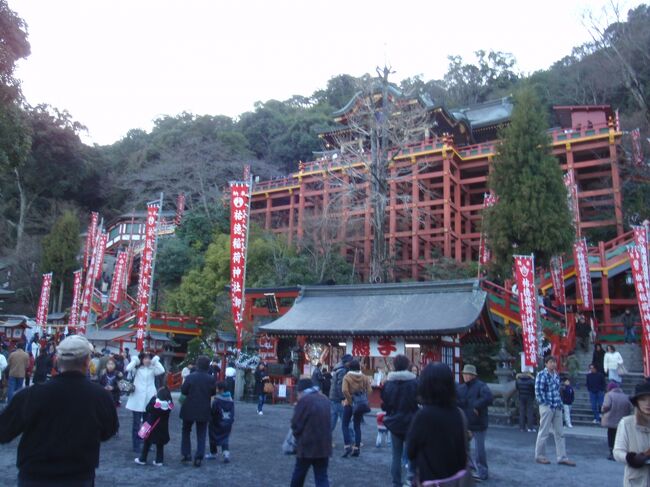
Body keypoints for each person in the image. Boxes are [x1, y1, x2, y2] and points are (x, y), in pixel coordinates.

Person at [0, 335, 118, 486]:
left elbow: (4, 432)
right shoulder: (101, 397)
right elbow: (108, 431)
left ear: (56, 359)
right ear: (87, 361)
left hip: (35, 476)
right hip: (78, 476)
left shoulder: (30, 395)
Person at [407, 362, 469, 486]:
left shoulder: (423, 416)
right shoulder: (459, 413)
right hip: (457, 479)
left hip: (431, 479)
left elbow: (410, 451)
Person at [381, 354, 419, 487]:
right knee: (412, 452)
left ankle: (396, 482)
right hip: (412, 422)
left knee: (396, 455)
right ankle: (410, 478)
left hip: (395, 422)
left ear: (395, 366)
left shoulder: (388, 384)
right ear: (408, 365)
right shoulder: (415, 382)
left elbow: (385, 404)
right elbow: (419, 401)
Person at [290, 377, 332, 487]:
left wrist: (296, 438)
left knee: (299, 475)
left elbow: (296, 424)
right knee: (322, 476)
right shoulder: (325, 399)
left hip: (307, 445)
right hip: (324, 445)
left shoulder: (304, 401)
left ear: (301, 391)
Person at [534, 356, 576, 466]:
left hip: (557, 405)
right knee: (544, 432)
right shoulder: (541, 375)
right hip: (547, 406)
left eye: (554, 362)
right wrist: (545, 403)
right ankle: (540, 455)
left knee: (560, 433)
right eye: (551, 362)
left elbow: (557, 391)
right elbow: (538, 391)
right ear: (546, 363)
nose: (553, 364)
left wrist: (560, 404)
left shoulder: (556, 375)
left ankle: (562, 457)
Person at [457, 363, 493, 482]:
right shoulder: (461, 388)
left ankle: (482, 471)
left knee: (479, 449)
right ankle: (468, 469)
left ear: (473, 375)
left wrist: (476, 406)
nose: (466, 376)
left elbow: (488, 398)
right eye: (465, 374)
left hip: (478, 422)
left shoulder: (481, 386)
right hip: (466, 422)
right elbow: (457, 402)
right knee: (463, 448)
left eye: (469, 374)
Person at [180, 355, 216, 467]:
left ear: (197, 364)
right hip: (204, 408)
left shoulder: (190, 377)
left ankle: (186, 454)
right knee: (201, 433)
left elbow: (184, 391)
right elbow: (213, 393)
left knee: (186, 430)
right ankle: (199, 456)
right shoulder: (211, 379)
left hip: (189, 407)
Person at [125, 352, 165, 453]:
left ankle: (145, 442)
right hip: (137, 398)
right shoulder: (137, 368)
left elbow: (162, 370)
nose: (147, 360)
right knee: (136, 423)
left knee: (147, 424)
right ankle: (136, 444)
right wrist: (135, 360)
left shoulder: (153, 369)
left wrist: (156, 361)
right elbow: (128, 368)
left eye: (149, 358)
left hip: (149, 398)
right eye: (145, 358)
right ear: (141, 359)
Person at [613, 381, 650, 485]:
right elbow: (617, 452)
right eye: (643, 399)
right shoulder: (627, 423)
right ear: (637, 401)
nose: (648, 403)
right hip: (636, 480)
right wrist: (631, 458)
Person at [135, 386, 174, 466]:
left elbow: (147, 408)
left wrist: (153, 397)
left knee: (147, 444)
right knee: (160, 445)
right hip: (163, 428)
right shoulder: (169, 405)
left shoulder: (154, 403)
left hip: (152, 427)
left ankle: (142, 459)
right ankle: (159, 461)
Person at [341, 359, 372, 458]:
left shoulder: (347, 377)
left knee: (345, 424)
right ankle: (357, 448)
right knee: (357, 426)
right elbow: (370, 390)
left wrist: (350, 401)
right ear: (359, 367)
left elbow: (344, 390)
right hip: (360, 404)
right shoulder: (365, 377)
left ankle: (347, 446)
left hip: (349, 404)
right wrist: (363, 397)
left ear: (349, 367)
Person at [602, 381, 633, 461]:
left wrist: (602, 410)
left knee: (611, 436)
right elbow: (630, 408)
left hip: (611, 420)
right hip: (622, 420)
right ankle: (619, 453)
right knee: (620, 437)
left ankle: (612, 453)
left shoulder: (609, 395)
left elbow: (606, 406)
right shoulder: (626, 396)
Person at [329, 354, 354, 446]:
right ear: (346, 362)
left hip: (333, 397)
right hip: (339, 399)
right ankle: (352, 440)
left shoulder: (337, 369)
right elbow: (341, 386)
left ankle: (326, 439)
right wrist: (344, 398)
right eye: (350, 361)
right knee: (347, 420)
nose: (351, 363)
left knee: (332, 420)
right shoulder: (343, 371)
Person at [207, 381, 235, 463]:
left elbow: (213, 412)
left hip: (216, 423)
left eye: (217, 388)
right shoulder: (231, 400)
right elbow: (232, 413)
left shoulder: (217, 400)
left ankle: (213, 452)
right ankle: (226, 453)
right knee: (225, 438)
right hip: (227, 423)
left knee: (212, 436)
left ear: (221, 389)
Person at [516, 367, 536, 432]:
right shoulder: (531, 380)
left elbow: (517, 388)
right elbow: (534, 387)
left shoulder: (518, 380)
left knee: (522, 411)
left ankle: (522, 427)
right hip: (530, 396)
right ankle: (530, 427)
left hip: (521, 396)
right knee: (529, 412)